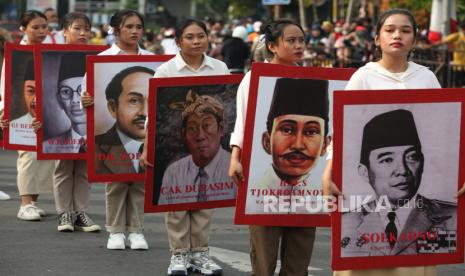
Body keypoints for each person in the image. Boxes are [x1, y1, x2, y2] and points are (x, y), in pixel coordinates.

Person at [321, 8, 451, 276]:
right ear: (377, 39)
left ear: (414, 39)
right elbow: (344, 129)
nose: (397, 35)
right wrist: (329, 168)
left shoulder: (426, 78)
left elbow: (443, 129)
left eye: (405, 31)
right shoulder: (364, 77)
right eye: (390, 30)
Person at [140, 18, 229, 276]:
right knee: (177, 202)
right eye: (189, 37)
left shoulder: (219, 67)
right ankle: (178, 255)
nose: (196, 41)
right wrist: (148, 147)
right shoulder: (166, 71)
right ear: (178, 41)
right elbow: (153, 115)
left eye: (201, 36)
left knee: (205, 201)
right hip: (176, 147)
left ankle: (200, 254)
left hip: (209, 148)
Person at [228, 19, 316, 276]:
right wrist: (236, 157)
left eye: (301, 40)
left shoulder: (311, 78)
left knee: (300, 249)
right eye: (291, 41)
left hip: (306, 180)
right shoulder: (253, 78)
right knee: (264, 253)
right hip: (262, 174)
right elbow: (243, 122)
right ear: (273, 46)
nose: (299, 45)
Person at [341, 109, 456, 257]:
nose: (402, 170)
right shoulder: (346, 223)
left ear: (422, 163)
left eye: (411, 157)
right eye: (387, 160)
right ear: (364, 172)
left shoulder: (452, 218)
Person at [81, 9, 151, 251]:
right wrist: (86, 100)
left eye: (138, 26)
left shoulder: (153, 59)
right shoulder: (102, 59)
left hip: (149, 139)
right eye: (129, 26)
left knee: (141, 183)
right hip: (112, 148)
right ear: (115, 29)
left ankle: (137, 231)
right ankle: (116, 231)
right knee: (117, 184)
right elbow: (85, 93)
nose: (134, 31)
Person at [33, 12, 101, 232]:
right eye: (77, 28)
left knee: (83, 169)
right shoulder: (54, 53)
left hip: (93, 127)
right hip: (64, 144)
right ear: (64, 31)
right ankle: (64, 214)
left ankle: (81, 212)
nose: (82, 33)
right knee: (63, 168)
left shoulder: (99, 56)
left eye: (86, 29)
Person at [245, 77, 330, 214]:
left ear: (325, 145)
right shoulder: (250, 199)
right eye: (287, 130)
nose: (298, 145)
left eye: (311, 132)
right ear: (267, 141)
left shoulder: (321, 201)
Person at [0, 10, 55, 221]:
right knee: (28, 156)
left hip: (46, 110)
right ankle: (24, 204)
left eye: (44, 27)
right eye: (36, 27)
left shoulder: (49, 51)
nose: (41, 31)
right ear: (24, 29)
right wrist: (5, 111)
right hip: (20, 113)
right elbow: (6, 85)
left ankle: (33, 201)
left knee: (43, 156)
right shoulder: (16, 53)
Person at [158, 90, 234, 205]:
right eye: (192, 128)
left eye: (207, 125)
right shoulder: (173, 173)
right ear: (184, 134)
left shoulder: (234, 169)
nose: (200, 136)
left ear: (221, 128)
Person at [94, 65, 154, 175]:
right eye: (134, 101)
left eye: (153, 100)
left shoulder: (173, 151)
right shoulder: (93, 148)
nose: (145, 112)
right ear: (113, 107)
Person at [42, 51, 87, 153]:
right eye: (66, 91)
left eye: (82, 90)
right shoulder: (47, 148)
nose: (75, 100)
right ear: (59, 99)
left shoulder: (113, 145)